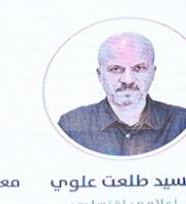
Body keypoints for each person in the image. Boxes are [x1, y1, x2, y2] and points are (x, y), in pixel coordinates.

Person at [58, 32, 186, 156]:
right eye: (115, 69)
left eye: (139, 68)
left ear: (153, 73)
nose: (127, 80)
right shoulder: (71, 126)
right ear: (100, 74)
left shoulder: (181, 122)